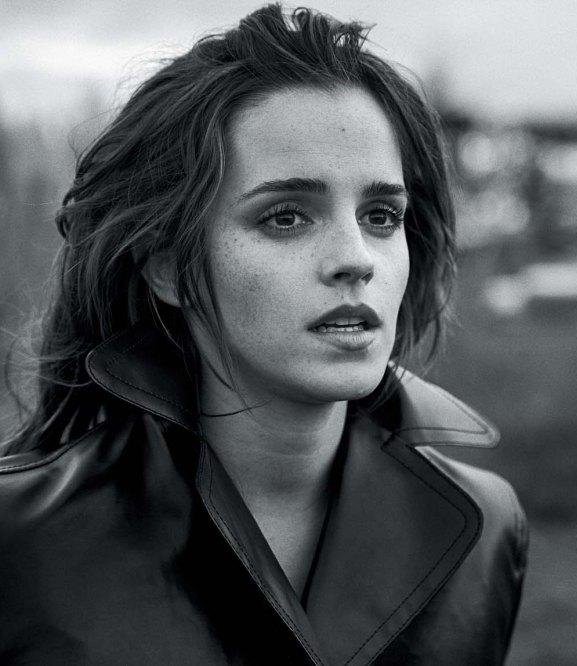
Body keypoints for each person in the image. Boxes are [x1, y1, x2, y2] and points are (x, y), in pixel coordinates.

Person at [0, 5, 527, 664]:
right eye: (285, 217)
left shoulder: (485, 525)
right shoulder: (21, 542)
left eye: (381, 215)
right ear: (168, 265)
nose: (356, 258)